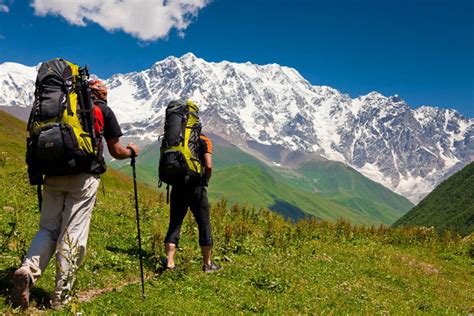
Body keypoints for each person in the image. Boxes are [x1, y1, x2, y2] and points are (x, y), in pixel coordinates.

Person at [12, 80, 140, 309]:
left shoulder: (59, 109)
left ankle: (28, 270)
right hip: (83, 178)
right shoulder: (102, 109)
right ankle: (61, 297)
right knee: (72, 235)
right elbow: (116, 150)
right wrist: (132, 151)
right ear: (101, 93)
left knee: (48, 229)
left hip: (52, 175)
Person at [163, 132, 221, 273]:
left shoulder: (174, 138)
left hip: (177, 186)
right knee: (204, 224)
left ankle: (170, 262)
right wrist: (205, 181)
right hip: (196, 188)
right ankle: (207, 264)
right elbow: (208, 166)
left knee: (175, 223)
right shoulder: (203, 139)